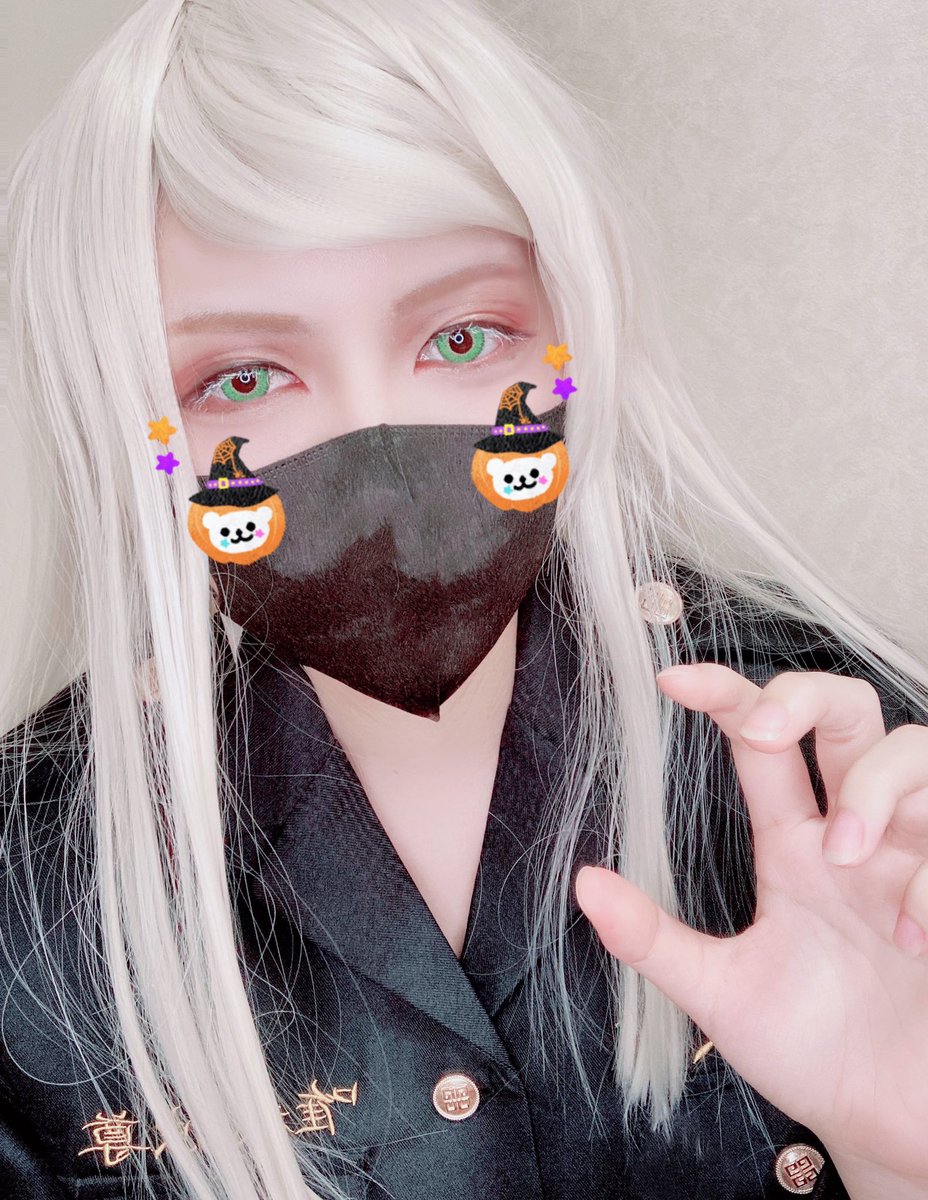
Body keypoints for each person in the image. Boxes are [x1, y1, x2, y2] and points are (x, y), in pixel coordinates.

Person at [3, 1, 926, 1198]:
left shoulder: (855, 771)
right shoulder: (29, 887)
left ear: (571, 337)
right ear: (133, 425)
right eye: (243, 376)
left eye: (460, 338)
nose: (379, 459)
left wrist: (896, 1150)